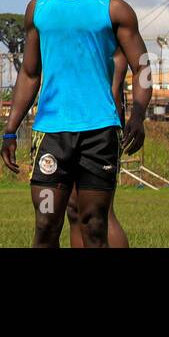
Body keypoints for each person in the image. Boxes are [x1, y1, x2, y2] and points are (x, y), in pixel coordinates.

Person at [0, 0, 150, 248]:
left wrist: (138, 115)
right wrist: (11, 129)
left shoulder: (115, 8)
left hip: (99, 132)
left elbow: (143, 68)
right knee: (46, 222)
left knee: (94, 224)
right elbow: (29, 74)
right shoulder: (38, 8)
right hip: (51, 133)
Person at [66, 48, 131, 248]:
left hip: (99, 128)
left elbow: (114, 86)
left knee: (100, 213)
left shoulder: (105, 25)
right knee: (74, 209)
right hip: (69, 124)